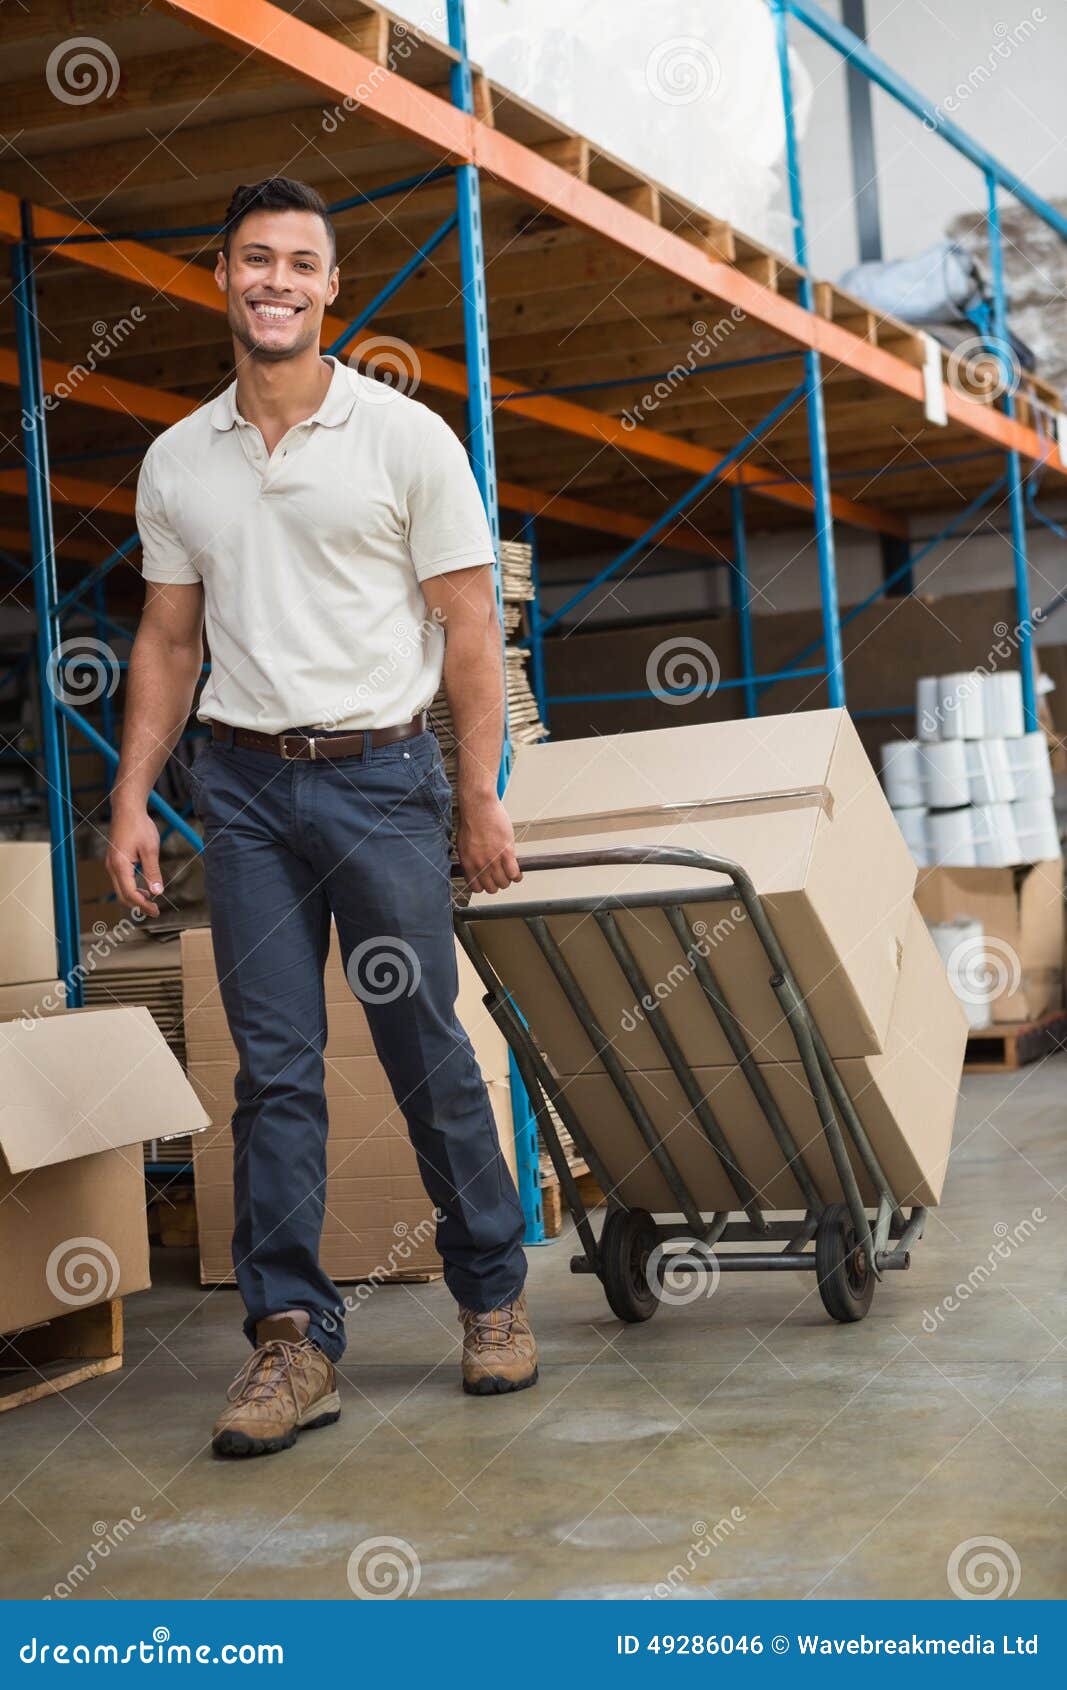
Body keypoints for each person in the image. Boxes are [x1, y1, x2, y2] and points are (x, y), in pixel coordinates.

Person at [106, 176, 537, 1460]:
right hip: (239, 792)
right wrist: (132, 790)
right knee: (271, 1071)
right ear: (221, 276)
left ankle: (494, 1296)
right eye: (253, 259)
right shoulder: (179, 458)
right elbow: (169, 639)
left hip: (383, 780)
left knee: (422, 1043)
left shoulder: (404, 437)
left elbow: (471, 628)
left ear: (330, 289)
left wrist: (475, 797)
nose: (275, 281)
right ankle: (291, 1339)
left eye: (300, 262)